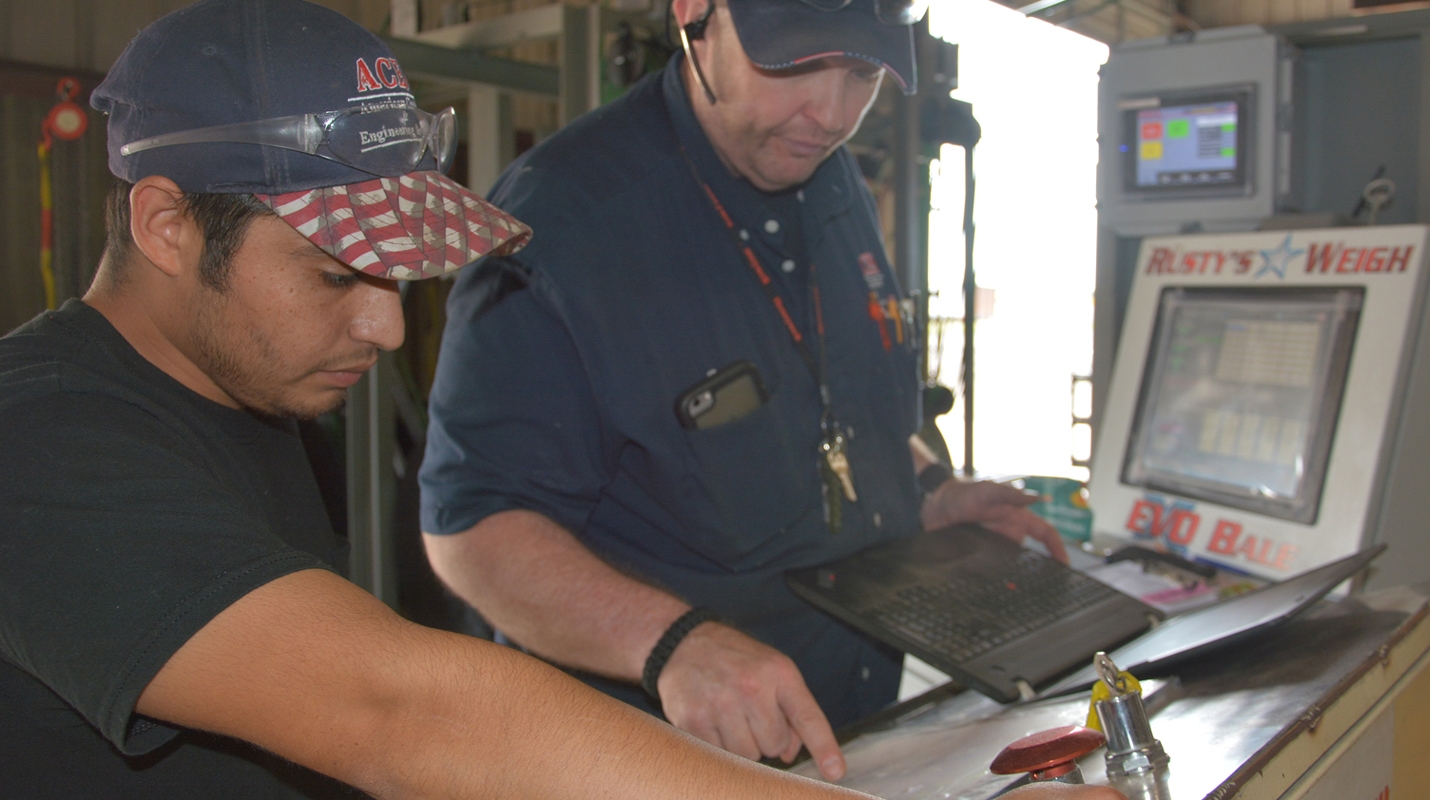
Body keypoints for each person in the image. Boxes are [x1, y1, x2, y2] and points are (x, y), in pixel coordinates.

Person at [0, 1, 1128, 798]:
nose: (387, 327)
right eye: (338, 276)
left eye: (397, 278)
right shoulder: (37, 443)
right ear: (165, 225)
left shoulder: (248, 407)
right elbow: (399, 709)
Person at [419, 0, 1071, 782]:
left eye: (861, 74)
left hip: (856, 734)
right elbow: (470, 530)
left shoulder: (828, 174)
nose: (831, 115)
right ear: (697, 16)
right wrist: (671, 644)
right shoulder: (561, 221)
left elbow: (840, 403)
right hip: (654, 764)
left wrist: (932, 492)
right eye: (795, 64)